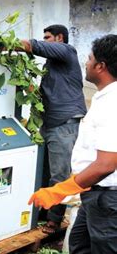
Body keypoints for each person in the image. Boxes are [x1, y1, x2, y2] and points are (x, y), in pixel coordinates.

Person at [29, 34, 117, 254]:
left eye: (89, 58)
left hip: (108, 200)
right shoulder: (103, 97)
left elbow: (107, 164)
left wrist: (58, 191)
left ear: (101, 66)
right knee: (78, 248)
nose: (86, 63)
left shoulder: (112, 102)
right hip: (93, 196)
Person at [21, 24, 87, 234]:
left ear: (59, 38)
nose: (45, 40)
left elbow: (35, 47)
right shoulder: (52, 65)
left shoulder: (67, 51)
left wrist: (10, 44)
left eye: (48, 37)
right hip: (49, 125)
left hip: (64, 125)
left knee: (59, 174)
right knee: (43, 171)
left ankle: (54, 221)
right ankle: (43, 212)